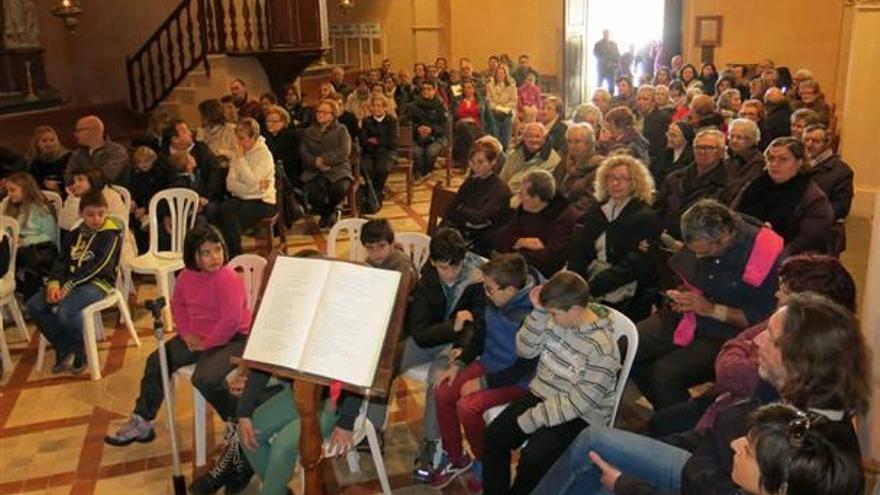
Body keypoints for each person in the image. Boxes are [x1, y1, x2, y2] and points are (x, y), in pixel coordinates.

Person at [531, 291, 869, 495]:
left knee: (596, 450)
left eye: (771, 338)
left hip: (700, 482)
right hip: (701, 467)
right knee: (599, 452)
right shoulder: (785, 387)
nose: (756, 342)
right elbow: (715, 434)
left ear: (802, 358)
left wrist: (629, 485)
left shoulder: (806, 446)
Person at [103, 225, 252, 493]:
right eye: (205, 253)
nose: (214, 257)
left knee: (204, 378)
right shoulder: (185, 277)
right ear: (192, 256)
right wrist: (185, 334)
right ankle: (142, 420)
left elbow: (230, 321)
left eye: (217, 250)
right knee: (156, 360)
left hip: (232, 339)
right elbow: (179, 305)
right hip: (197, 336)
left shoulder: (228, 278)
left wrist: (206, 344)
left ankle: (237, 418)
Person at [649, 253, 857, 437]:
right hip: (723, 404)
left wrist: (739, 347)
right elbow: (737, 343)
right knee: (659, 420)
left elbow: (729, 371)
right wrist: (739, 347)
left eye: (784, 290)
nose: (776, 294)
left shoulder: (802, 353)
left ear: (808, 303)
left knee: (665, 380)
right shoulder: (787, 321)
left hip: (731, 428)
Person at [634, 199, 782, 412]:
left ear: (723, 239)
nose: (697, 257)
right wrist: (682, 295)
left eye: (703, 253)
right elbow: (687, 275)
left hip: (727, 332)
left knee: (665, 374)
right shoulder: (701, 237)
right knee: (626, 347)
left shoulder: (764, 252)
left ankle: (683, 427)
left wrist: (712, 310)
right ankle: (669, 412)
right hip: (688, 315)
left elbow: (762, 320)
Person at [482, 271, 621, 495]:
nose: (552, 319)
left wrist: (534, 418)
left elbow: (580, 401)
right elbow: (525, 351)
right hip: (543, 393)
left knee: (534, 458)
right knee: (494, 437)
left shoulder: (602, 349)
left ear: (575, 310)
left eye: (554, 314)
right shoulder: (554, 318)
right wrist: (537, 313)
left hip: (581, 414)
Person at [428, 253, 540, 489]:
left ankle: (483, 461)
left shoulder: (531, 317)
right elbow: (480, 336)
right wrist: (459, 363)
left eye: (490, 290)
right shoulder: (496, 298)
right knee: (443, 391)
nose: (485, 294)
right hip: (490, 363)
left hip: (518, 381)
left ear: (510, 289)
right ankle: (456, 456)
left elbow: (522, 369)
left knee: (468, 406)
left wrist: (484, 383)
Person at [27, 191, 122, 374]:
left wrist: (69, 286)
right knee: (35, 306)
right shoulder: (74, 234)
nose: (96, 219)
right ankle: (66, 346)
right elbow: (61, 261)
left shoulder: (110, 235)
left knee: (65, 310)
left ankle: (78, 351)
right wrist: (54, 282)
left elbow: (98, 266)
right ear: (81, 213)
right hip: (68, 282)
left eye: (101, 214)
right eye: (90, 214)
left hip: (97, 283)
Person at [567, 155, 661, 322]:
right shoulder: (597, 210)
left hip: (624, 283)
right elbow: (580, 249)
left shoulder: (645, 217)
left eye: (623, 179)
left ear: (634, 183)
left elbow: (635, 264)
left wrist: (591, 287)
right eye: (611, 178)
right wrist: (576, 279)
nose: (615, 183)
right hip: (591, 274)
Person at [735, 137, 834, 257]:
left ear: (799, 162)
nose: (775, 164)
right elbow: (733, 216)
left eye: (783, 159)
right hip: (745, 248)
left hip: (787, 257)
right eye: (770, 159)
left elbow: (808, 240)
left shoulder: (813, 198)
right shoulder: (755, 185)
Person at [494, 169, 579, 277]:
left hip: (541, 275)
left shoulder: (565, 218)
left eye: (522, 194)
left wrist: (514, 248)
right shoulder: (526, 207)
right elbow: (500, 237)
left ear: (537, 199)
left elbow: (549, 258)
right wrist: (522, 241)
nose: (518, 197)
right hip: (516, 266)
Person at [654, 129, 731, 240]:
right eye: (698, 147)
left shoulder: (727, 183)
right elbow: (658, 208)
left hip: (699, 242)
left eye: (709, 148)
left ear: (721, 152)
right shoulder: (675, 177)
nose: (703, 152)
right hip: (664, 237)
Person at [219, 117, 276, 257]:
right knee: (223, 209)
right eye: (237, 138)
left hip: (263, 202)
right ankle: (233, 254)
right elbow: (230, 184)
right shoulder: (239, 151)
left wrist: (240, 160)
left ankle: (235, 256)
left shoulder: (264, 155)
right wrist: (251, 188)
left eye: (242, 139)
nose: (239, 142)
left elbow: (252, 183)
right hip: (243, 198)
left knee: (231, 218)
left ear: (254, 137)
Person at [442, 142, 511, 255]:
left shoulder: (501, 189)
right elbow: (450, 209)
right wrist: (467, 220)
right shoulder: (471, 181)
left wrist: (462, 209)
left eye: (480, 162)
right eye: (472, 162)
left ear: (492, 162)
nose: (475, 167)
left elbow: (479, 217)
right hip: (466, 231)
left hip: (486, 241)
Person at [0, 172, 58, 299]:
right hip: (15, 246)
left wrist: (25, 241)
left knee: (22, 258)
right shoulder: (9, 206)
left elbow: (51, 236)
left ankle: (29, 298)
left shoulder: (41, 209)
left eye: (13, 190)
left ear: (26, 189)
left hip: (40, 248)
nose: (9, 194)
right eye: (7, 190)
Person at [300, 99, 352, 228]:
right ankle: (329, 213)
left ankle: (327, 213)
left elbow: (344, 151)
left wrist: (325, 159)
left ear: (333, 115)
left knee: (339, 189)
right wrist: (315, 162)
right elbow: (304, 152)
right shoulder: (309, 131)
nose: (320, 114)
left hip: (338, 168)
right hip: (315, 169)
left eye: (324, 112)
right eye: (318, 111)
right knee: (312, 193)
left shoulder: (341, 129)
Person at [499, 122, 562, 204]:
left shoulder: (552, 160)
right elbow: (502, 177)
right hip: (505, 194)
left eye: (537, 136)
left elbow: (536, 192)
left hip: (526, 200)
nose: (533, 140)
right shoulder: (514, 154)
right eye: (529, 136)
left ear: (544, 139)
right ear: (524, 138)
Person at [803, 124, 854, 220]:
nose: (809, 145)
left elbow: (841, 207)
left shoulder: (841, 171)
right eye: (806, 140)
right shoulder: (797, 164)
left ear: (828, 143)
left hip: (818, 223)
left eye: (815, 141)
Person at [58, 165, 127, 235]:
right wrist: (74, 198)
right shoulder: (77, 196)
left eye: (80, 180)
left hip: (109, 238)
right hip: (83, 238)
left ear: (93, 180)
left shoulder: (111, 196)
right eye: (74, 181)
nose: (75, 184)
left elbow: (119, 225)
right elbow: (65, 225)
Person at [68, 115, 131, 187]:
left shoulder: (117, 151)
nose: (75, 134)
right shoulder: (77, 154)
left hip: (113, 195)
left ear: (94, 130)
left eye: (79, 130)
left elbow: (106, 176)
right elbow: (68, 178)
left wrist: (80, 180)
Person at [406, 80, 449, 181]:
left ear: (435, 90)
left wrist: (432, 130)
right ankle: (420, 173)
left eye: (429, 89)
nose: (426, 91)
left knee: (431, 151)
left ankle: (427, 173)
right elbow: (406, 123)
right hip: (417, 136)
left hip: (437, 136)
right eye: (424, 89)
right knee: (417, 152)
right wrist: (417, 129)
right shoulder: (412, 106)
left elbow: (444, 126)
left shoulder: (441, 106)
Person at [360, 94, 398, 204]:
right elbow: (363, 140)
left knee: (383, 168)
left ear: (385, 108)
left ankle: (376, 192)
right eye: (374, 106)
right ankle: (375, 194)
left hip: (388, 152)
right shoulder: (366, 121)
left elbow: (392, 140)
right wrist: (379, 141)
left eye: (379, 106)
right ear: (371, 107)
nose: (376, 108)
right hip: (370, 152)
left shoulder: (392, 121)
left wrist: (376, 140)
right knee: (367, 168)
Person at [129, 146, 166, 254]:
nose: (144, 164)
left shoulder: (158, 174)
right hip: (138, 207)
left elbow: (157, 194)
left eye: (147, 161)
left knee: (152, 224)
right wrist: (132, 202)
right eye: (140, 162)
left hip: (154, 207)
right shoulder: (134, 174)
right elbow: (132, 190)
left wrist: (145, 208)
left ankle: (152, 252)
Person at [554, 124, 601, 203]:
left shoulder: (597, 166)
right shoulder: (564, 160)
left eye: (577, 141)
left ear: (589, 144)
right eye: (569, 141)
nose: (572, 146)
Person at [723, 118, 766, 202]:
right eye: (732, 136)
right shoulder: (729, 156)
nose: (734, 141)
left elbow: (738, 188)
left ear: (752, 140)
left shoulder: (758, 162)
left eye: (739, 137)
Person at [262, 105, 301, 190]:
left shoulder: (291, 136)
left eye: (274, 122)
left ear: (283, 122)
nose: (270, 124)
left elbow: (294, 160)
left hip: (286, 173)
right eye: (268, 121)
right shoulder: (262, 137)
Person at [452, 80, 489, 169]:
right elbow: (457, 114)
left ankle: (466, 162)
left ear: (474, 90)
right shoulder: (458, 101)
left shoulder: (479, 102)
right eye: (465, 88)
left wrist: (467, 117)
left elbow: (481, 114)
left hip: (475, 126)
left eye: (469, 87)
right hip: (460, 125)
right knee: (464, 127)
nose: (467, 90)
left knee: (466, 134)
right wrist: (468, 118)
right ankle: (474, 153)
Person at [27, 125, 70, 194]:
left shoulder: (67, 157)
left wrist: (59, 185)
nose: (49, 143)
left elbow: (71, 178)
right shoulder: (34, 162)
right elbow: (33, 183)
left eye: (52, 140)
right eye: (44, 141)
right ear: (37, 144)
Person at [635, 85, 672, 165]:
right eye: (639, 99)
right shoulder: (635, 117)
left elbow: (656, 147)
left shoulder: (662, 118)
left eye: (645, 99)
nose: (641, 102)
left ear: (653, 102)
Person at [650, 121, 694, 186]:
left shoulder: (692, 156)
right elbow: (651, 171)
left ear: (686, 138)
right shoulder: (664, 153)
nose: (669, 138)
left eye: (674, 135)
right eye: (668, 134)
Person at [196, 98, 238, 165]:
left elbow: (239, 154)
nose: (200, 117)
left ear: (210, 114)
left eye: (202, 114)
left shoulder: (232, 130)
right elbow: (199, 156)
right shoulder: (201, 131)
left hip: (227, 170)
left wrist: (221, 152)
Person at [487, 65, 518, 149]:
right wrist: (496, 107)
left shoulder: (512, 86)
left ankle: (505, 145)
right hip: (495, 110)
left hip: (508, 110)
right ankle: (496, 144)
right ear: (495, 75)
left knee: (507, 119)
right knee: (494, 118)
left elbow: (514, 101)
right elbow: (489, 101)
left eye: (502, 73)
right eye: (498, 73)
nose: (500, 75)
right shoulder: (490, 85)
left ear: (505, 74)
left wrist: (505, 107)